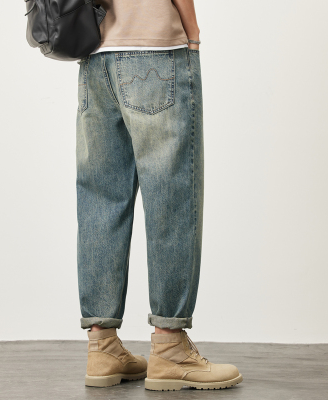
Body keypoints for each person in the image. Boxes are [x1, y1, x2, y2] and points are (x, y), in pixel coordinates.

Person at [76, 0, 243, 391]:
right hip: (154, 49)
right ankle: (170, 348)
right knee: (172, 196)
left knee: (101, 199)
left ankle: (102, 348)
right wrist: (192, 32)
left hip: (94, 56)